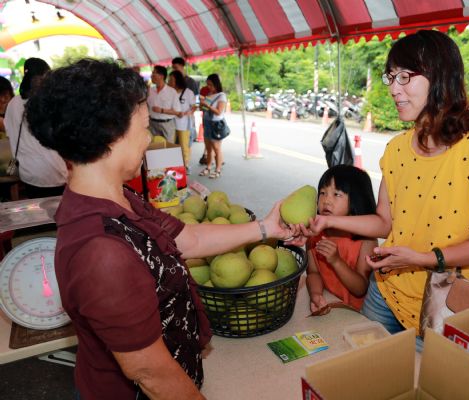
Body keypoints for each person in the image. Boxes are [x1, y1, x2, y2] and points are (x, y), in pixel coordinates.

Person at [25, 59, 300, 400]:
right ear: (112, 134)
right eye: (144, 126)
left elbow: (189, 238)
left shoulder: (117, 197)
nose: (150, 137)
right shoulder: (102, 251)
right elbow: (149, 372)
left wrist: (264, 227)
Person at [301, 30, 469, 338]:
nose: (394, 89)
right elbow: (385, 222)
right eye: (390, 78)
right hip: (385, 292)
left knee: (421, 383)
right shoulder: (397, 148)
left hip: (443, 305)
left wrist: (426, 259)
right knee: (368, 371)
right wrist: (327, 220)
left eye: (404, 77)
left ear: (440, 77)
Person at [307, 165, 378, 314]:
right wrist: (316, 295)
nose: (326, 201)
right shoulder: (314, 234)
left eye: (336, 194)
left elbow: (360, 288)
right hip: (329, 302)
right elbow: (313, 273)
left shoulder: (366, 239)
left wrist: (336, 261)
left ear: (356, 200)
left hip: (354, 313)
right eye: (323, 193)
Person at [5, 58, 67, 198]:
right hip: (53, 171)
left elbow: (10, 132)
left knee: (37, 214)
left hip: (28, 173)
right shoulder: (46, 102)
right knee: (56, 215)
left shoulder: (13, 103)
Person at [198, 74, 227, 179]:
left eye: (210, 85)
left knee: (217, 148)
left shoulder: (221, 96)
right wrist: (201, 105)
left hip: (216, 124)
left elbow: (219, 112)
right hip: (207, 122)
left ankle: (218, 169)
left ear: (216, 84)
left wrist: (207, 106)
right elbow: (203, 110)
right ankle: (208, 167)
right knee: (208, 148)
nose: (208, 87)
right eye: (207, 84)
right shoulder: (209, 94)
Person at [168, 70, 196, 172]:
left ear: (177, 81)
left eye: (171, 80)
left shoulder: (188, 92)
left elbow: (194, 107)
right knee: (172, 146)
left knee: (184, 146)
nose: (169, 82)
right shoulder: (170, 92)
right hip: (171, 123)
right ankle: (174, 166)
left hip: (184, 124)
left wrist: (187, 113)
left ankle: (186, 165)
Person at [147, 65, 179, 143]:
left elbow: (177, 111)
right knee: (154, 149)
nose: (151, 75)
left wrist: (161, 110)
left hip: (167, 124)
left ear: (161, 76)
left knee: (168, 149)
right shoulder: (150, 91)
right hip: (152, 124)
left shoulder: (172, 92)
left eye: (154, 73)